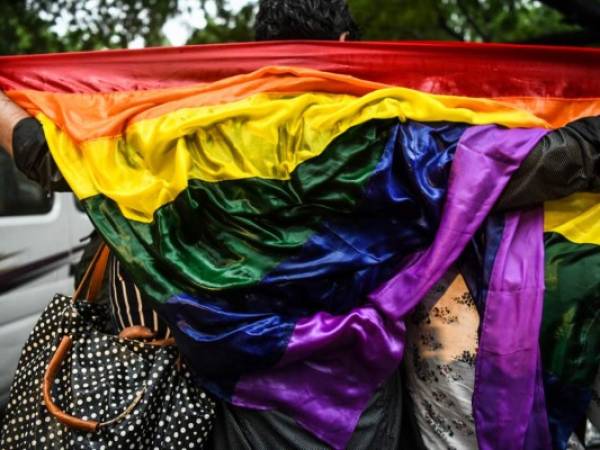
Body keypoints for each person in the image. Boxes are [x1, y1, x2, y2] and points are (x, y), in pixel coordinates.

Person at [1, 0, 599, 448]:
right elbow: (548, 161)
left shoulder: (185, 138)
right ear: (344, 44)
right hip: (351, 411)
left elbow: (42, 150)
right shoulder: (387, 137)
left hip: (228, 409)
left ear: (259, 45)